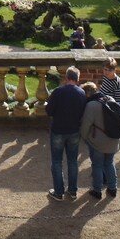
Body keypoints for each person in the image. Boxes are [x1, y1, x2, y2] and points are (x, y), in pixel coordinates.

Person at [43, 66, 86, 201]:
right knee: (73, 161)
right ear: (77, 79)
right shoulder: (81, 93)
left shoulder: (58, 92)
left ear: (67, 77)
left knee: (57, 161)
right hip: (74, 131)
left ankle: (58, 192)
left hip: (58, 130)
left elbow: (49, 111)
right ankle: (72, 191)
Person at [79, 81, 120, 199]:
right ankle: (113, 188)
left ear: (87, 93)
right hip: (113, 138)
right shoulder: (110, 99)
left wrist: (84, 137)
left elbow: (86, 126)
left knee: (97, 164)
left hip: (98, 142)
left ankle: (97, 190)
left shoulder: (91, 105)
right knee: (109, 163)